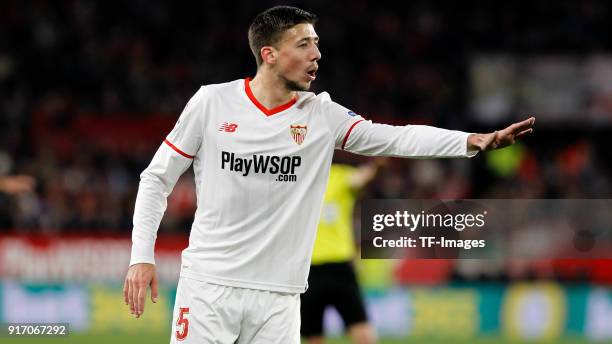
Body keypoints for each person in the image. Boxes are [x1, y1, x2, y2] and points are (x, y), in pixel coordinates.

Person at [123, 5, 535, 344]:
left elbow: (394, 138)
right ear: (269, 54)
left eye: (317, 44)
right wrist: (142, 256)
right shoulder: (212, 103)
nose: (316, 54)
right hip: (210, 288)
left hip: (281, 300)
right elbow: (156, 177)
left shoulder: (322, 115)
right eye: (303, 44)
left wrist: (471, 141)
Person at [302, 160, 384, 344]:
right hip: (309, 269)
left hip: (339, 265)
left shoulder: (339, 175)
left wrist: (376, 164)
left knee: (362, 331)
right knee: (313, 335)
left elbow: (359, 179)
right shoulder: (299, 178)